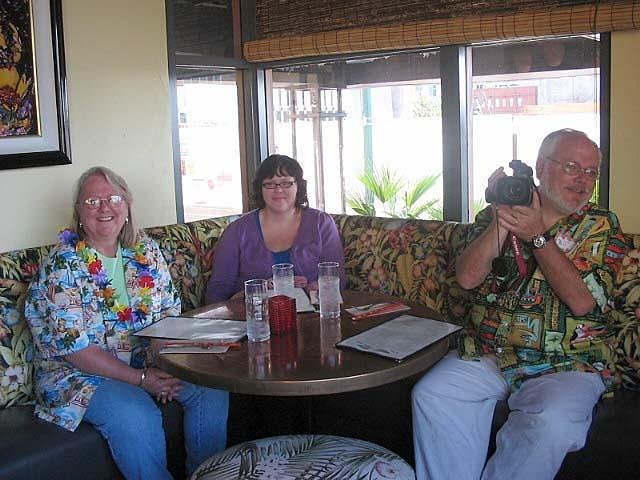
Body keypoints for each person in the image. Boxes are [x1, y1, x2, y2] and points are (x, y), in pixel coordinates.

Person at [412, 129, 628, 480]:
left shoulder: (601, 226)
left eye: (591, 172)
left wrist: (537, 236)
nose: (583, 180)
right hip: (490, 352)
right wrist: (501, 219)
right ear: (541, 167)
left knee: (552, 423)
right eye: (572, 167)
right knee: (434, 393)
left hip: (567, 361)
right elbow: (467, 278)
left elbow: (582, 302)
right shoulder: (502, 209)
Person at [25, 167, 229, 480]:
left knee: (210, 386)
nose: (105, 208)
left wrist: (165, 363)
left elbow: (167, 315)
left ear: (128, 205)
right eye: (93, 201)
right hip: (76, 375)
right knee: (136, 412)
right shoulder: (62, 266)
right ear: (79, 211)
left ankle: (208, 475)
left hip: (141, 360)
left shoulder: (145, 251)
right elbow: (75, 349)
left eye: (114, 198)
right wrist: (141, 379)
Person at [205, 154, 345, 303]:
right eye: (270, 184)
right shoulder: (237, 231)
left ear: (298, 185)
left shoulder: (321, 223)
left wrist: (313, 288)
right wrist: (261, 289)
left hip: (313, 312)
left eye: (286, 183)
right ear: (260, 188)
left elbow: (338, 279)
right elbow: (217, 292)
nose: (278, 190)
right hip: (254, 313)